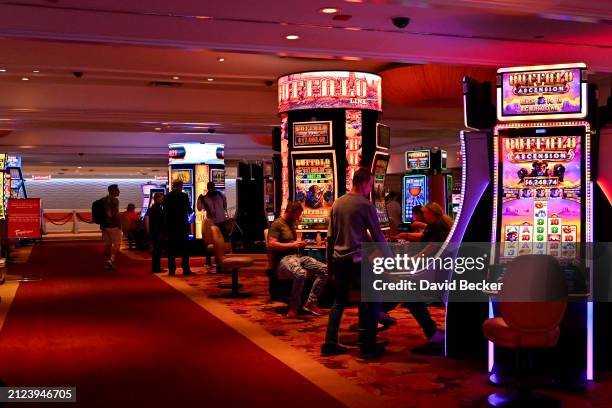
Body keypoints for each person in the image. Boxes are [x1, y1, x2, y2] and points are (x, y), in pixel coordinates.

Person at [321, 167, 389, 359]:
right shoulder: (364, 204)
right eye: (370, 184)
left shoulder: (337, 203)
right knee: (373, 300)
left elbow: (330, 237)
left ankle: (329, 343)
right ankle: (369, 346)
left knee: (339, 302)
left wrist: (329, 264)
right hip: (357, 260)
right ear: (363, 182)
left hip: (339, 259)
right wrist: (391, 259)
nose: (371, 188)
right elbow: (377, 236)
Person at [267, 201, 328, 318]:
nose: (299, 217)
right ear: (290, 212)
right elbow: (272, 244)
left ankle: (310, 303)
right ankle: (293, 307)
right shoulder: (277, 224)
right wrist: (293, 245)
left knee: (325, 269)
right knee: (300, 273)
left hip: (297, 257)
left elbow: (292, 243)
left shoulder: (290, 223)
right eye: (298, 214)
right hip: (283, 260)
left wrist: (300, 244)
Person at [164, 180, 194, 276]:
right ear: (180, 186)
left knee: (171, 249)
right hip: (182, 226)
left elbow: (165, 211)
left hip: (171, 226)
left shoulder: (167, 196)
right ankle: (186, 269)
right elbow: (189, 210)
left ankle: (172, 270)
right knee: (184, 249)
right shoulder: (184, 196)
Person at [101, 184, 122, 270]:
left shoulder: (104, 200)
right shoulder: (115, 200)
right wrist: (119, 224)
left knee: (108, 245)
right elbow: (114, 213)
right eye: (117, 190)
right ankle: (111, 260)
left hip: (104, 225)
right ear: (112, 190)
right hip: (113, 225)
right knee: (117, 243)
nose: (119, 191)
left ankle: (107, 263)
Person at [145, 192, 165, 273]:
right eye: (161, 198)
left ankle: (156, 267)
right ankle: (156, 268)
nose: (162, 200)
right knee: (157, 251)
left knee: (157, 251)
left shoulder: (155, 207)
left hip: (155, 232)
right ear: (157, 199)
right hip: (157, 232)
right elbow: (159, 222)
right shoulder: (156, 208)